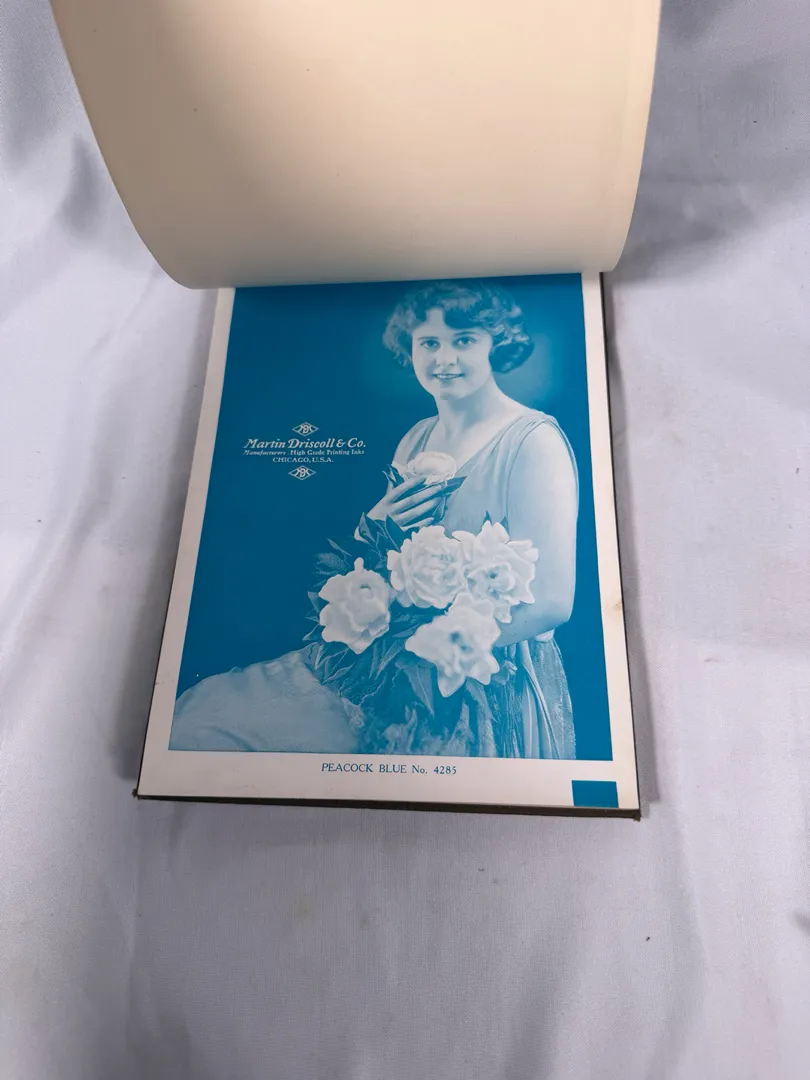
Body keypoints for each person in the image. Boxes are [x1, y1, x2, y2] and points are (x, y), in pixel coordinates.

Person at [171, 281, 578, 758]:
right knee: (208, 716)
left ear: (497, 342)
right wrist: (375, 522)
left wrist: (424, 650)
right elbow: (380, 560)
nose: (444, 358)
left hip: (480, 674)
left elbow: (552, 603)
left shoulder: (533, 441)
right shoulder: (417, 437)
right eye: (429, 342)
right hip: (395, 655)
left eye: (464, 340)